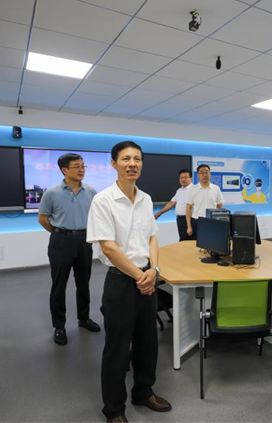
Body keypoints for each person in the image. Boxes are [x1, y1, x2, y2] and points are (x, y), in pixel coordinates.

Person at [87, 141, 172, 423]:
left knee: (148, 342)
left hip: (147, 277)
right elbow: (108, 247)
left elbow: (152, 237)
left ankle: (143, 392)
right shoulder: (103, 200)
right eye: (125, 159)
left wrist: (154, 270)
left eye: (137, 158)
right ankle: (114, 409)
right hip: (122, 282)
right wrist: (140, 276)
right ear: (114, 164)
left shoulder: (145, 198)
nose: (132, 163)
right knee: (117, 348)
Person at [38, 153, 100, 346]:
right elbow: (43, 218)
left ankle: (84, 319)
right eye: (76, 166)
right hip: (61, 241)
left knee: (83, 283)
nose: (81, 170)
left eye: (83, 166)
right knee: (59, 285)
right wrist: (60, 233)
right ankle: (59, 326)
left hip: (84, 241)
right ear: (64, 170)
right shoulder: (52, 193)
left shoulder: (91, 192)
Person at [186, 164, 224, 238]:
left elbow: (219, 206)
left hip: (212, 221)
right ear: (198, 175)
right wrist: (189, 226)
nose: (205, 175)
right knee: (196, 243)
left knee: (212, 242)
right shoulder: (192, 189)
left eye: (206, 172)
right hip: (197, 221)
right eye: (202, 173)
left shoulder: (216, 188)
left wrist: (218, 222)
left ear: (210, 173)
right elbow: (188, 208)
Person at [154, 169, 194, 241]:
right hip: (180, 220)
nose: (183, 179)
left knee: (191, 241)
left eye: (185, 177)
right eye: (181, 178)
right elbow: (171, 203)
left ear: (190, 178)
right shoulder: (179, 190)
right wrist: (160, 212)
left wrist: (189, 226)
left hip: (191, 220)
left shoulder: (194, 189)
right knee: (183, 240)